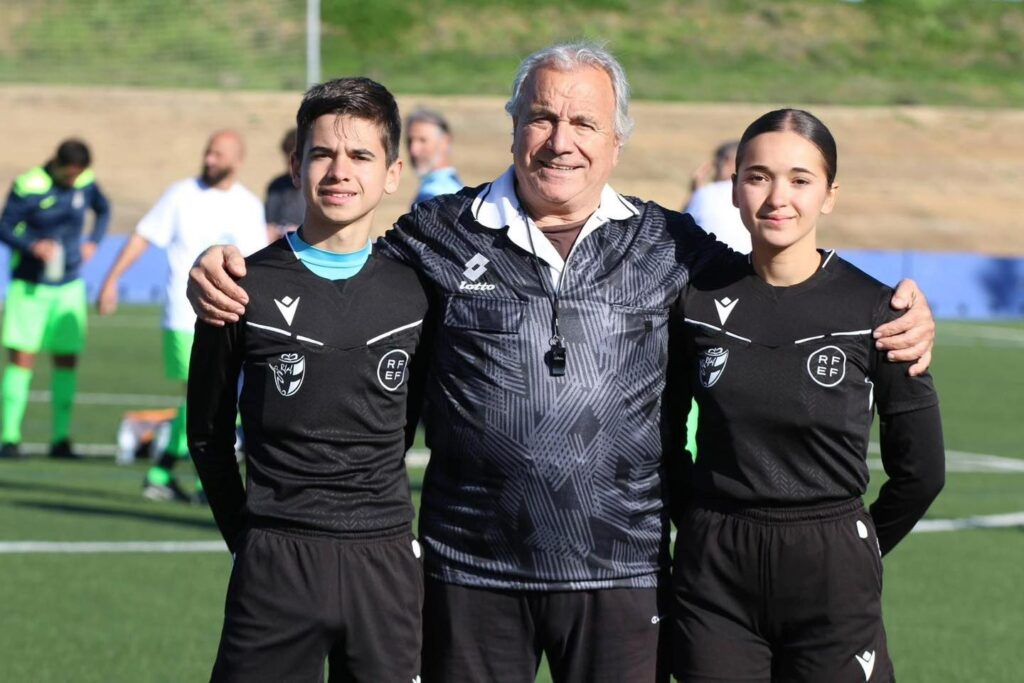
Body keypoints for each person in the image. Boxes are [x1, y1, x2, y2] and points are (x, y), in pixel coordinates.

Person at [186, 43, 936, 683]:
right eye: (542, 116)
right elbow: (333, 269)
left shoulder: (671, 247)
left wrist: (893, 311)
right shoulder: (437, 235)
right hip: (468, 572)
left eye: (585, 122)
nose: (560, 139)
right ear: (514, 128)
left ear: (616, 143)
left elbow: (779, 283)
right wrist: (225, 267)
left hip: (620, 573)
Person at [665, 109, 945, 683]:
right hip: (714, 569)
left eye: (800, 179)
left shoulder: (880, 311)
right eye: (758, 176)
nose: (777, 197)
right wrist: (698, 525)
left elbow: (922, 470)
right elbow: (662, 438)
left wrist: (856, 545)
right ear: (736, 187)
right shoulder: (691, 303)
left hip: (832, 565)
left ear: (829, 195)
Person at [188, 77, 430, 683]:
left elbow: (410, 420)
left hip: (385, 562)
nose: (339, 171)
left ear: (393, 172)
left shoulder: (419, 292)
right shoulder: (238, 284)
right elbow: (207, 434)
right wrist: (248, 538)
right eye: (322, 153)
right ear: (296, 166)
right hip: (275, 558)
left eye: (361, 156)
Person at [96, 130, 266, 502]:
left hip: (231, 320)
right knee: (205, 401)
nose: (209, 160)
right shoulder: (181, 195)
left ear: (238, 160)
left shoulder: (249, 205)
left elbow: (256, 263)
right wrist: (111, 280)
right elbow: (143, 236)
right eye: (207, 152)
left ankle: (179, 476)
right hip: (182, 317)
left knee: (218, 403)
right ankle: (172, 475)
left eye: (218, 154)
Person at [0, 139, 110, 460]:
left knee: (66, 359)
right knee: (22, 359)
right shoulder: (29, 185)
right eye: (69, 175)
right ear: (57, 164)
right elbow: (5, 227)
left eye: (78, 176)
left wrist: (94, 241)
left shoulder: (86, 183)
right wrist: (32, 245)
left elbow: (103, 210)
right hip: (29, 286)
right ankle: (9, 436)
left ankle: (61, 438)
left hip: (69, 287)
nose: (73, 181)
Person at [684, 140, 750, 253]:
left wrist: (694, 192)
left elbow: (681, 227)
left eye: (715, 164)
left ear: (727, 161)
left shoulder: (706, 192)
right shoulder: (754, 193)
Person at [405, 108, 463, 205]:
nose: (413, 150)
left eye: (422, 140)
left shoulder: (432, 197)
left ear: (445, 141)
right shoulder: (456, 187)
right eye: (410, 141)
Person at [263, 128, 304, 240]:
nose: (293, 165)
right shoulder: (276, 186)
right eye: (289, 160)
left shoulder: (316, 188)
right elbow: (269, 224)